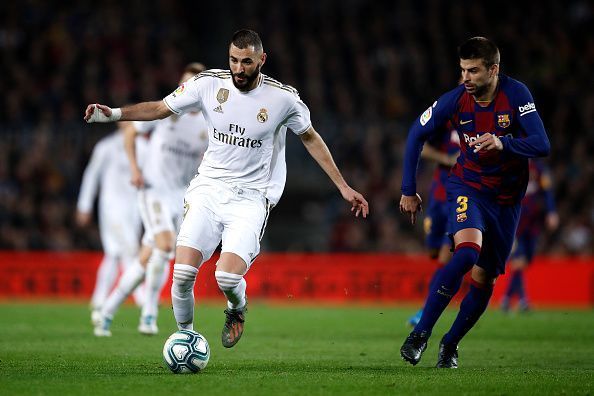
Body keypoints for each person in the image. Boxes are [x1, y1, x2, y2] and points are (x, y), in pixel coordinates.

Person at [84, 29, 368, 347]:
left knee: (227, 278)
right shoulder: (208, 84)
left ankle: (237, 307)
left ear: (262, 60)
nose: (238, 68)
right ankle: (186, 336)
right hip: (208, 188)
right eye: (233, 60)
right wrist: (115, 115)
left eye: (246, 62)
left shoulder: (283, 98)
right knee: (182, 275)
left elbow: (310, 137)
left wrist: (342, 186)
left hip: (252, 196)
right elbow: (161, 108)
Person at [399, 37, 550, 368]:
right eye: (463, 70)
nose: (465, 77)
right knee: (466, 253)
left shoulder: (517, 94)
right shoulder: (455, 101)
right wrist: (408, 189)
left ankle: (450, 344)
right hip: (469, 186)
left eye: (473, 71)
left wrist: (503, 143)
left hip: (508, 201)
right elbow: (416, 134)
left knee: (485, 280)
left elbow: (542, 143)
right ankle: (420, 334)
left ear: (494, 70)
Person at [92, 62, 210, 336]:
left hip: (181, 196)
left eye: (190, 85)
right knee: (166, 244)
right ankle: (149, 314)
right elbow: (131, 132)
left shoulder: (208, 123)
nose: (185, 90)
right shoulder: (168, 111)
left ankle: (107, 311)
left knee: (147, 257)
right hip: (153, 190)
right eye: (183, 84)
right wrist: (135, 169)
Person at [75, 122, 147, 324]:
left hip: (134, 209)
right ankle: (141, 297)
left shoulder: (143, 147)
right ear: (119, 121)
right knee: (129, 249)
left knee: (114, 254)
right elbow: (92, 176)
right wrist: (84, 206)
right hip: (111, 207)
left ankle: (98, 298)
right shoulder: (106, 146)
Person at [407, 123, 459, 327]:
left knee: (446, 257)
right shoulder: (447, 123)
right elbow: (424, 148)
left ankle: (426, 310)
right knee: (434, 253)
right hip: (438, 199)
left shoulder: (483, 123)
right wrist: (446, 159)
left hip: (460, 200)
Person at [501, 159, 558, 312]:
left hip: (533, 224)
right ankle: (522, 300)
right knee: (518, 261)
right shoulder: (512, 165)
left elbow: (547, 191)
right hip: (516, 222)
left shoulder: (539, 169)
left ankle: (506, 298)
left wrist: (551, 211)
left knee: (527, 260)